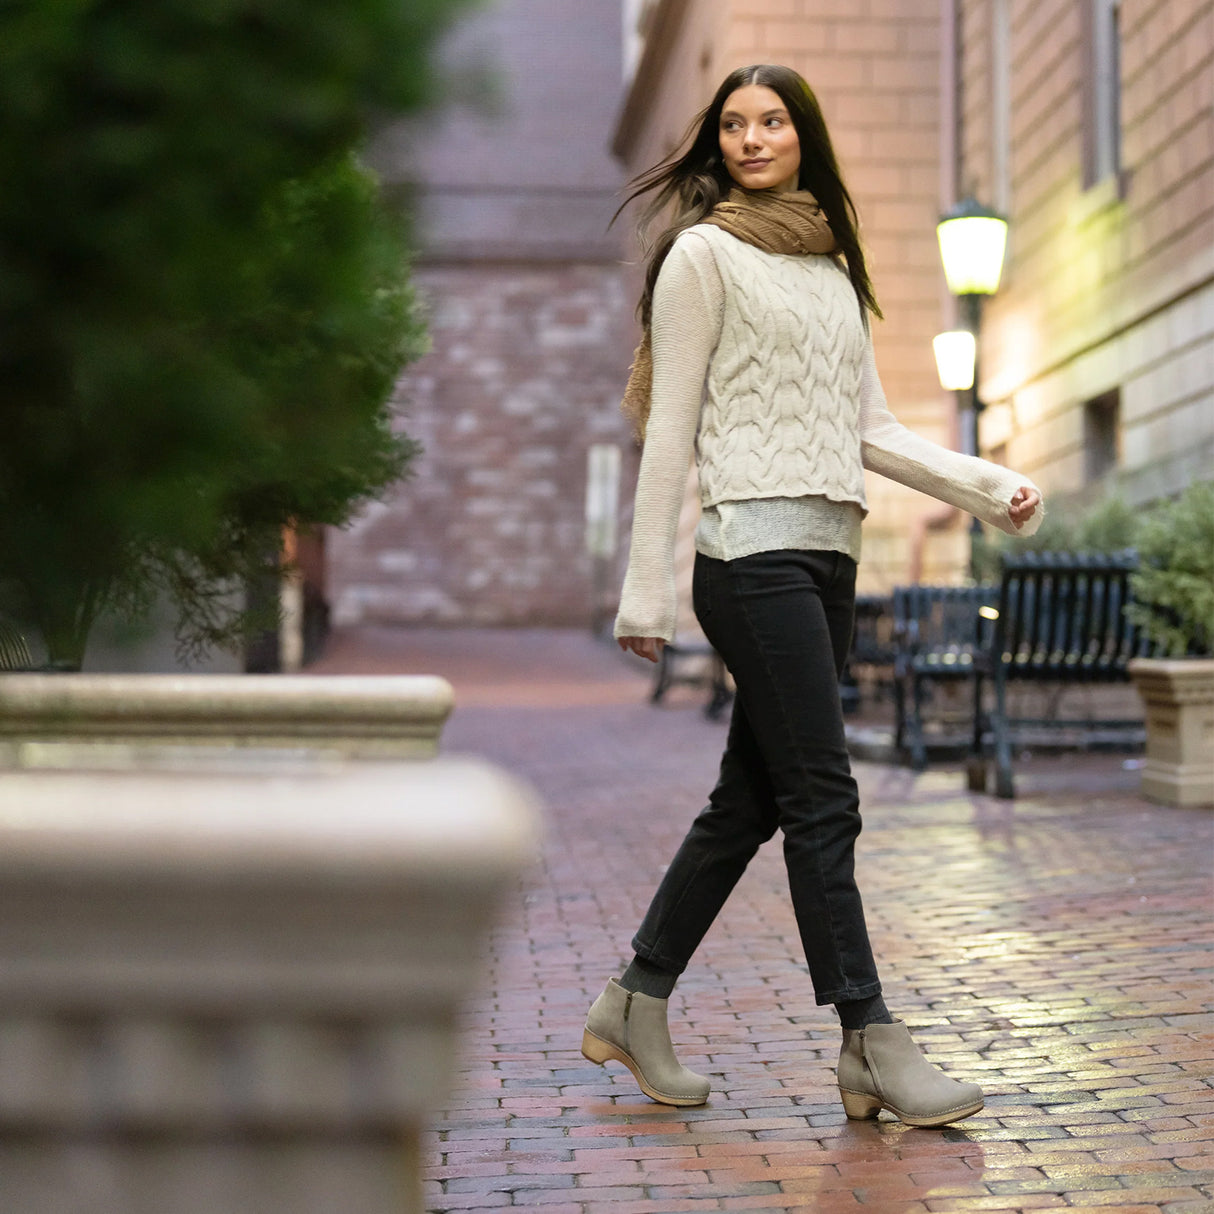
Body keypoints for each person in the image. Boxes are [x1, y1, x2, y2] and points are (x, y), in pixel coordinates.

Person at [580, 64, 1043, 1128]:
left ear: (803, 136)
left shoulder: (831, 266)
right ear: (717, 143)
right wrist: (645, 594)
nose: (751, 139)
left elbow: (870, 429)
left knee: (749, 802)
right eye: (733, 124)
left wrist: (987, 489)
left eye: (772, 121)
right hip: (749, 557)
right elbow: (670, 429)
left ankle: (633, 1001)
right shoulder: (701, 256)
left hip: (829, 556)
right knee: (824, 798)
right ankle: (869, 1037)